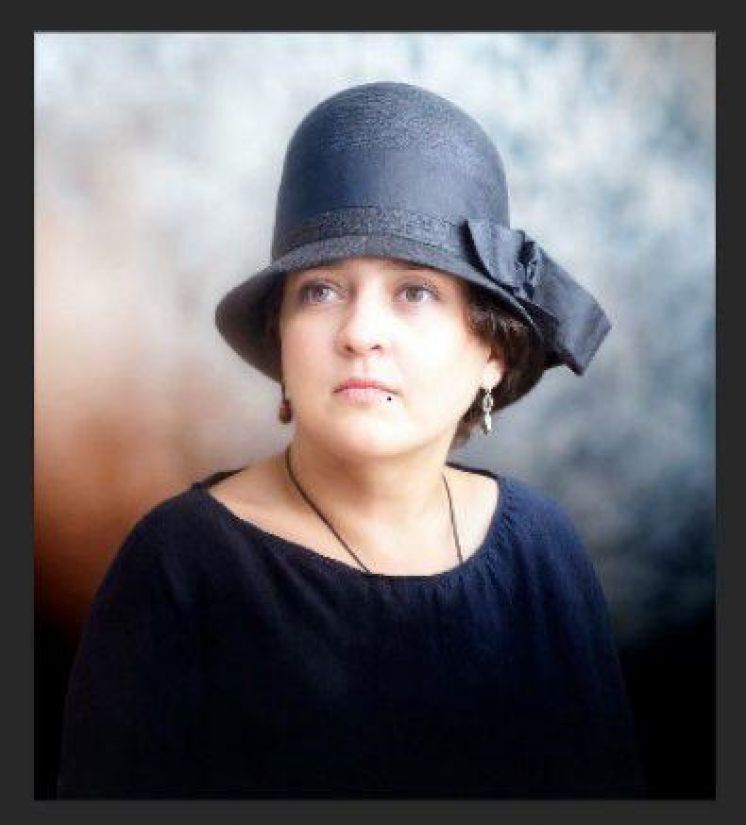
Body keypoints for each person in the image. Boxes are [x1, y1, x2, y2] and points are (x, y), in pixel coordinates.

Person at [57, 82, 643, 798]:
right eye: (322, 290)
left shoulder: (544, 551)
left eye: (415, 291)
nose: (361, 332)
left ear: (492, 350)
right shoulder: (178, 565)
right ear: (281, 338)